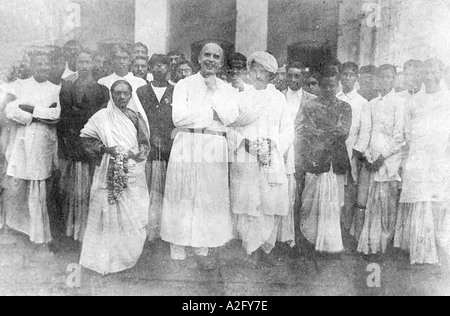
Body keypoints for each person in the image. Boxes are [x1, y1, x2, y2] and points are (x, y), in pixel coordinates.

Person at [160, 43, 238, 269]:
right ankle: (177, 242)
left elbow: (230, 118)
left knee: (208, 194)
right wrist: (211, 113)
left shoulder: (226, 88)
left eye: (216, 56)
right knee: (182, 191)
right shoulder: (184, 85)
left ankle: (202, 243)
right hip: (187, 141)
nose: (211, 59)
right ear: (199, 58)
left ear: (221, 62)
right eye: (207, 55)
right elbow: (178, 119)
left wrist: (214, 98)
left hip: (213, 145)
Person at [227, 51, 294, 266]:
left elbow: (288, 129)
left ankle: (267, 247)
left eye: (264, 72)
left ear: (271, 76)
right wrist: (243, 142)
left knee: (268, 202)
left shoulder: (278, 98)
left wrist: (273, 144)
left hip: (270, 157)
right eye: (255, 70)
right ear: (249, 71)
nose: (258, 75)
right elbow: (230, 126)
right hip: (245, 157)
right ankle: (248, 247)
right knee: (247, 200)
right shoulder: (239, 95)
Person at [79, 80, 150, 275]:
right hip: (108, 166)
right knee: (107, 209)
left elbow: (144, 143)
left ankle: (127, 256)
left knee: (132, 212)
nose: (121, 97)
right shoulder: (102, 116)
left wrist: (135, 156)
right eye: (117, 93)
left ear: (130, 95)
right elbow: (86, 137)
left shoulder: (135, 117)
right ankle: (105, 259)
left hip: (132, 170)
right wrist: (105, 149)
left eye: (125, 93)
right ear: (111, 94)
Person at [2, 50, 61, 257]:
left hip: (44, 143)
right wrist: (36, 114)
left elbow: (55, 115)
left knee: (39, 188)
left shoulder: (56, 89)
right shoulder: (20, 84)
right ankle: (19, 229)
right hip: (21, 141)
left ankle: (40, 235)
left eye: (46, 64)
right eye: (39, 64)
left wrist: (29, 109)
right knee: (19, 187)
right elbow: (10, 110)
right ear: (32, 65)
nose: (43, 67)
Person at [394, 58, 450, 266]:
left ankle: (439, 247)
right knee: (418, 200)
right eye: (425, 72)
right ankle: (418, 248)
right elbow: (407, 130)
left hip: (440, 157)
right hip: (418, 155)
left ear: (441, 72)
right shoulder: (414, 100)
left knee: (437, 201)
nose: (429, 76)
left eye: (433, 72)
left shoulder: (447, 99)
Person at [297, 67, 352, 254]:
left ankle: (330, 244)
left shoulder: (345, 107)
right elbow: (309, 131)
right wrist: (330, 131)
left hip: (336, 159)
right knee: (310, 201)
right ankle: (311, 240)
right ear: (319, 86)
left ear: (338, 86)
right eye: (325, 86)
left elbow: (343, 132)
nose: (329, 89)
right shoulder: (310, 106)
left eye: (333, 85)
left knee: (335, 203)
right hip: (316, 159)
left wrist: (323, 131)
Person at [58, 49, 110, 242]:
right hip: (74, 144)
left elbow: (103, 118)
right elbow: (64, 118)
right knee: (75, 191)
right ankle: (76, 231)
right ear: (76, 64)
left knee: (93, 189)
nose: (85, 66)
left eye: (88, 62)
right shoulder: (68, 88)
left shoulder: (102, 90)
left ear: (93, 64)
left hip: (93, 145)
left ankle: (92, 232)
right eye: (81, 62)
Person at [355, 64, 405, 256]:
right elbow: (367, 132)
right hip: (371, 159)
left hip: (388, 161)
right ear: (377, 80)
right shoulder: (371, 104)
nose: (385, 81)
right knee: (370, 203)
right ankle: (369, 245)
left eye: (389, 77)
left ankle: (384, 245)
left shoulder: (399, 102)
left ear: (393, 80)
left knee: (387, 205)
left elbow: (398, 137)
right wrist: (368, 157)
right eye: (381, 77)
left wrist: (381, 157)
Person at [137, 54, 175, 241]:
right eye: (156, 66)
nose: (160, 69)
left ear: (169, 69)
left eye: (163, 66)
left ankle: (165, 232)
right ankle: (147, 232)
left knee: (167, 192)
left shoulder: (176, 91)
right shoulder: (141, 92)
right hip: (149, 150)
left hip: (169, 150)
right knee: (147, 190)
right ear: (150, 69)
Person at [336, 62, 369, 236]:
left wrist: (356, 153)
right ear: (340, 76)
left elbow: (364, 131)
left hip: (351, 154)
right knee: (334, 192)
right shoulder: (336, 97)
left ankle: (346, 230)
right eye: (345, 74)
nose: (348, 78)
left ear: (356, 78)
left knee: (349, 194)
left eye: (351, 75)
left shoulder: (362, 102)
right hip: (334, 153)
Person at [98, 44, 149, 131]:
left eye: (125, 58)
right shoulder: (103, 82)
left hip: (133, 125)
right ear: (113, 60)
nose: (121, 61)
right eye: (118, 58)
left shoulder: (140, 82)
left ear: (130, 60)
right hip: (110, 126)